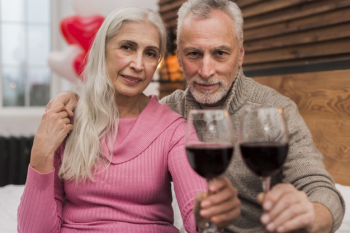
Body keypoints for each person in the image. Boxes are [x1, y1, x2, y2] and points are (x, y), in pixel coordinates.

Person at [46, 0, 345, 233]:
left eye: (220, 54)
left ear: (240, 54)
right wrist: (74, 101)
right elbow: (120, 112)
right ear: (177, 54)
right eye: (193, 54)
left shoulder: (274, 111)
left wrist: (312, 217)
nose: (205, 70)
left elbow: (321, 188)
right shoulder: (169, 111)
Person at [17, 6, 241, 233]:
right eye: (127, 47)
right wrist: (39, 157)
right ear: (102, 51)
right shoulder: (67, 120)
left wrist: (210, 213)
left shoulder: (174, 130)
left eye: (150, 53)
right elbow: (35, 230)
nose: (138, 64)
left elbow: (196, 212)